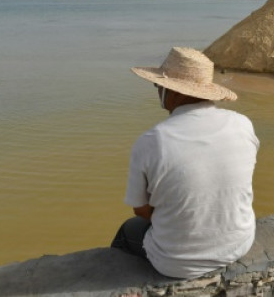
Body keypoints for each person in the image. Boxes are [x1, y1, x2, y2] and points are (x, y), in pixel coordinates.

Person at [111, 47, 259, 279]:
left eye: (158, 85)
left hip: (176, 263)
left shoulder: (152, 141)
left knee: (127, 231)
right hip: (239, 244)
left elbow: (140, 210)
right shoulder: (242, 124)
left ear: (174, 92)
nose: (157, 90)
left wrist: (179, 217)